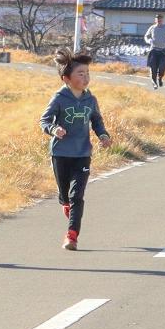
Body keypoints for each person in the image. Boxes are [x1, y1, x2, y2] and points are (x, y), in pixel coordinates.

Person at [42, 49, 112, 251]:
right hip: (60, 154)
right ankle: (66, 204)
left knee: (77, 196)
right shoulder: (59, 99)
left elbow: (97, 121)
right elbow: (44, 120)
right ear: (66, 78)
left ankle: (71, 236)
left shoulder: (91, 100)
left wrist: (103, 135)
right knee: (65, 196)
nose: (85, 77)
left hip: (82, 154)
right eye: (80, 74)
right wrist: (54, 129)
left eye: (87, 73)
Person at [143, 13, 165, 89]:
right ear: (155, 20)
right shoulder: (152, 28)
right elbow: (146, 36)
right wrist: (148, 40)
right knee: (153, 68)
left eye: (160, 19)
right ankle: (154, 83)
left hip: (163, 51)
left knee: (162, 67)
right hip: (154, 50)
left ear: (162, 20)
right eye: (157, 19)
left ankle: (160, 78)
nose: (159, 20)